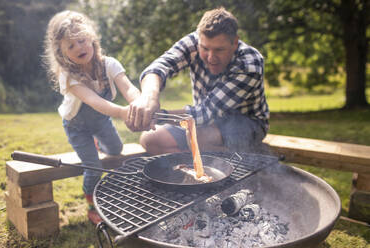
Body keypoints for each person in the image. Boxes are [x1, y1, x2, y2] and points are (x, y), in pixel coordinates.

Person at [43, 10, 141, 224]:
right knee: (93, 165)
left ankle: (99, 143)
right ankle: (91, 205)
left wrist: (139, 104)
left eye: (82, 40)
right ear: (62, 54)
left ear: (92, 39)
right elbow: (96, 102)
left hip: (101, 121)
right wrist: (124, 112)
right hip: (77, 127)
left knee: (116, 150)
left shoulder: (110, 64)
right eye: (71, 46)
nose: (79, 47)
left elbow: (129, 89)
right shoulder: (67, 76)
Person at [128, 7, 269, 155]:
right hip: (201, 122)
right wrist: (149, 98)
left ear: (235, 42)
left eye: (219, 50)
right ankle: (195, 169)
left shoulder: (249, 64)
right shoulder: (194, 42)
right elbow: (159, 67)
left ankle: (244, 161)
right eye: (205, 48)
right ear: (199, 39)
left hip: (246, 122)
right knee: (150, 139)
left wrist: (156, 116)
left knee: (199, 139)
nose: (211, 57)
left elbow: (205, 113)